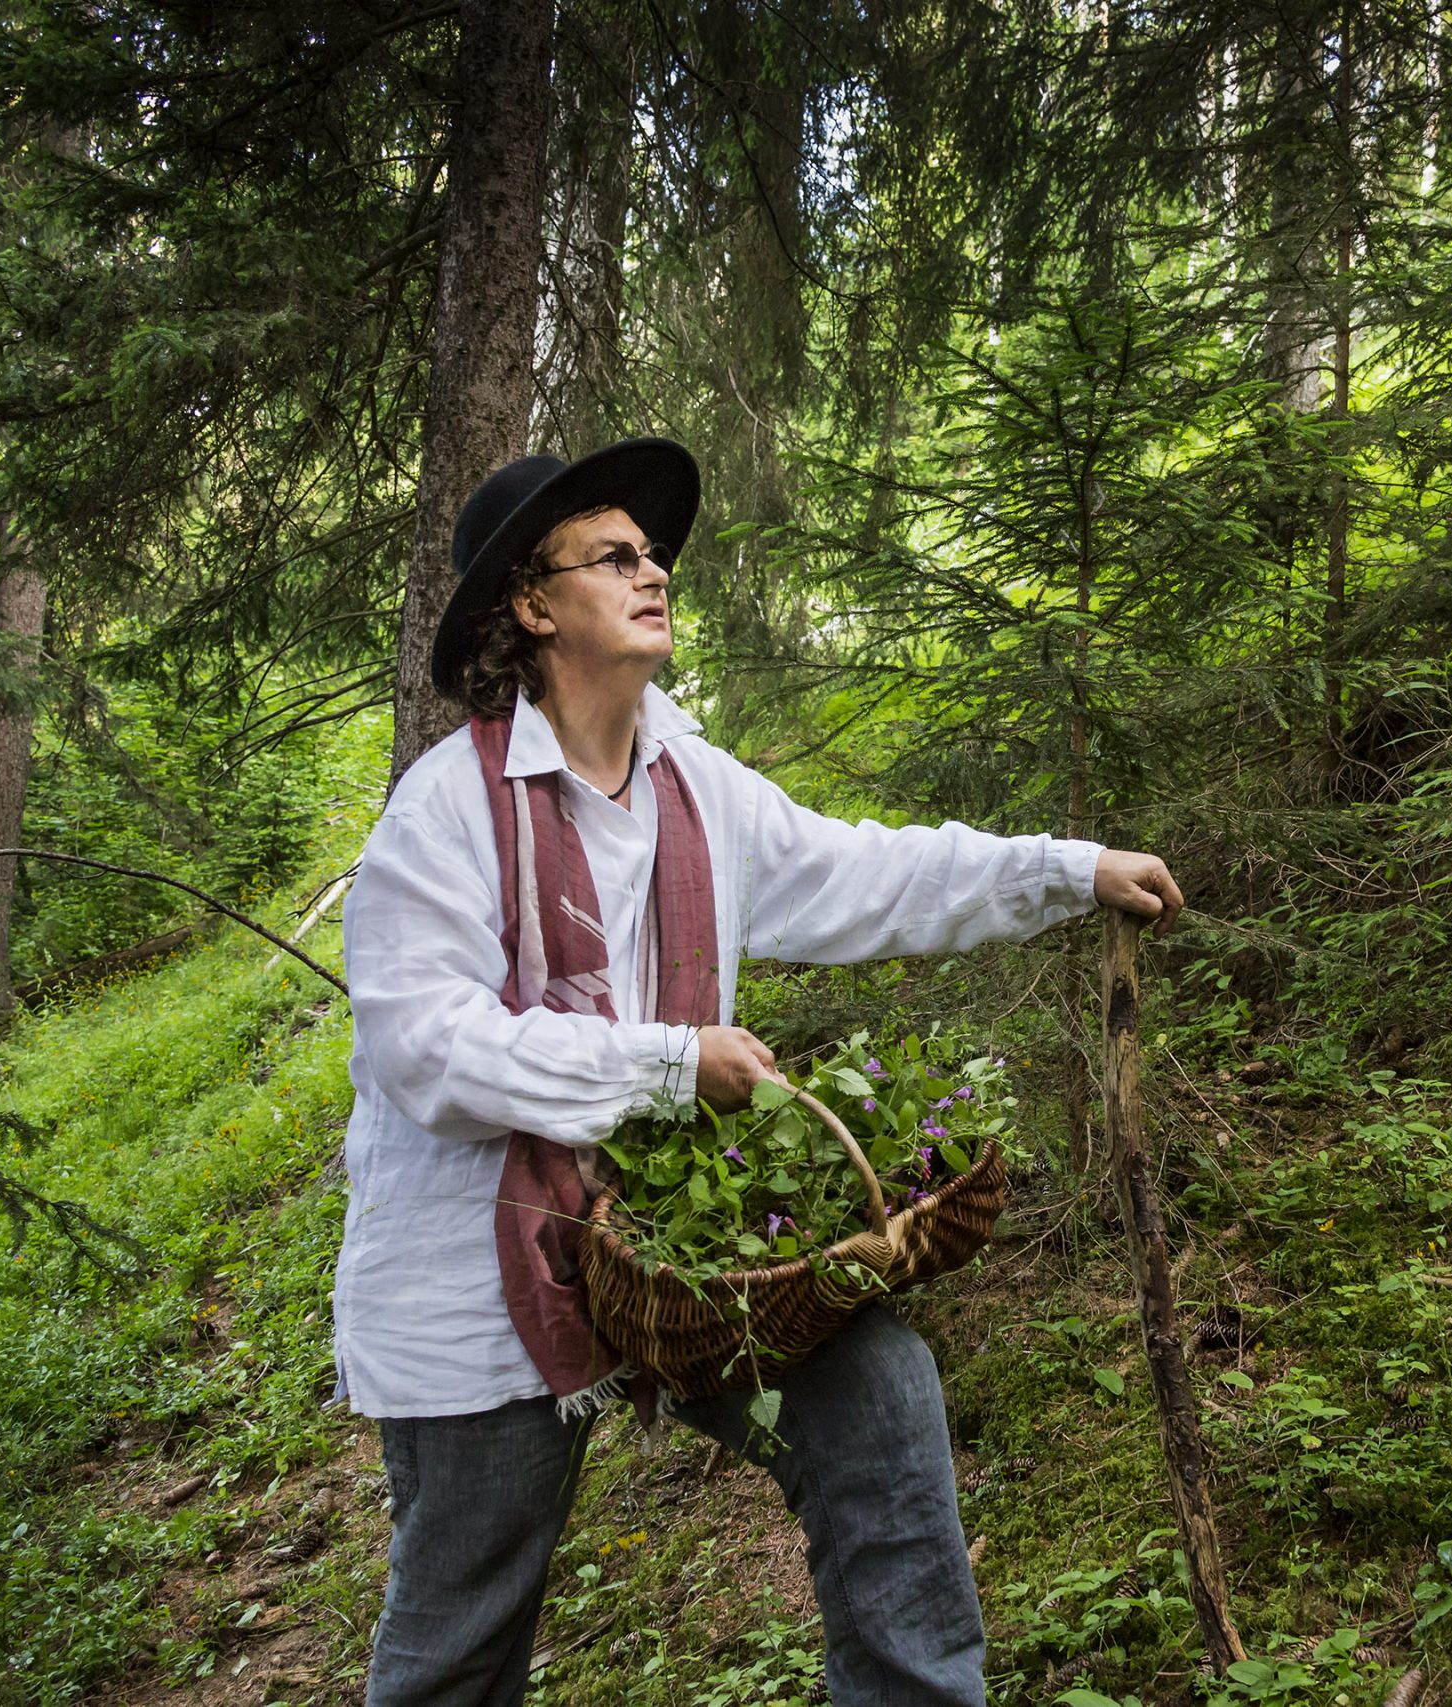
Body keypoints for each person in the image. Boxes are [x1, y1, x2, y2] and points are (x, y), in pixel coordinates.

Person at [333, 437, 1185, 1707]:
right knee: (460, 1641)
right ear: (531, 602)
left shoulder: (697, 789)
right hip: (478, 1290)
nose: (651, 571)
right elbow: (425, 1049)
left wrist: (1068, 870)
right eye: (613, 555)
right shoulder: (446, 810)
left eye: (653, 552)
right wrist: (672, 1065)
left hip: (689, 1252)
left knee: (877, 1393)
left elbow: (872, 873)